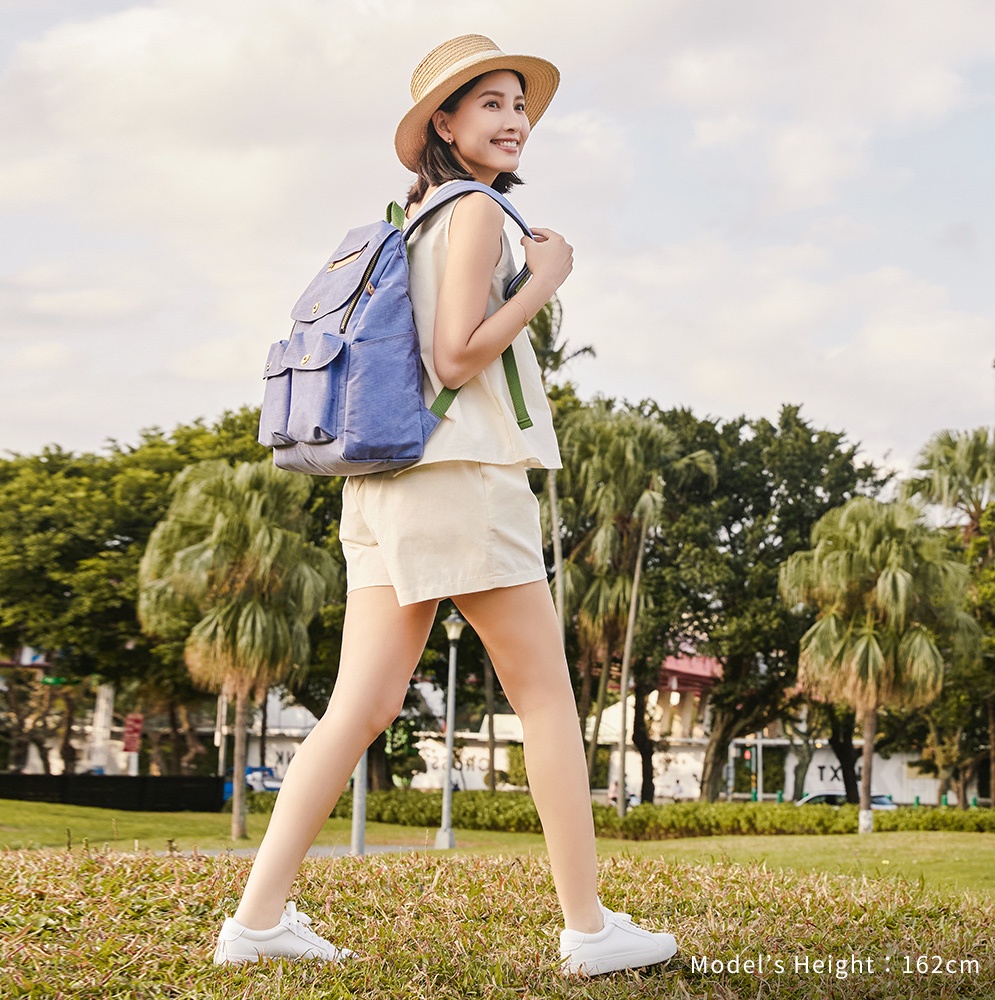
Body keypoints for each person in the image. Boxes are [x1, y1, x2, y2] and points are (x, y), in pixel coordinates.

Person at [213, 34, 677, 977]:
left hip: (385, 484)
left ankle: (256, 922)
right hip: (459, 478)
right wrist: (546, 281)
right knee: (545, 698)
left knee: (358, 706)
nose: (514, 121)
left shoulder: (416, 219)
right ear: (444, 123)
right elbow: (457, 355)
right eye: (491, 104)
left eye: (520, 105)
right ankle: (590, 930)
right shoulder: (475, 214)